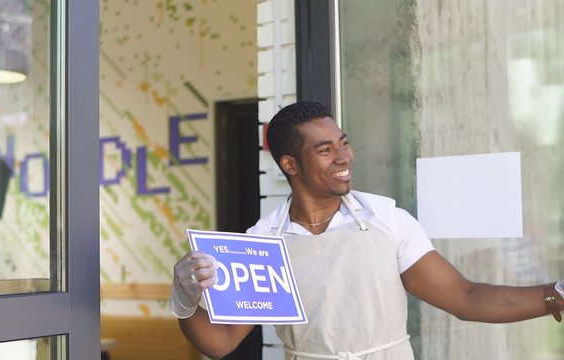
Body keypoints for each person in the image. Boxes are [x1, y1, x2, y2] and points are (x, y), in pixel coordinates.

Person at [168, 101, 564, 359]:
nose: (343, 157)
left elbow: (466, 297)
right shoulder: (263, 243)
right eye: (324, 150)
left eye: (343, 143)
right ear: (289, 165)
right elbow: (219, 344)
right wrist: (185, 300)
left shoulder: (386, 220)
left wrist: (554, 296)